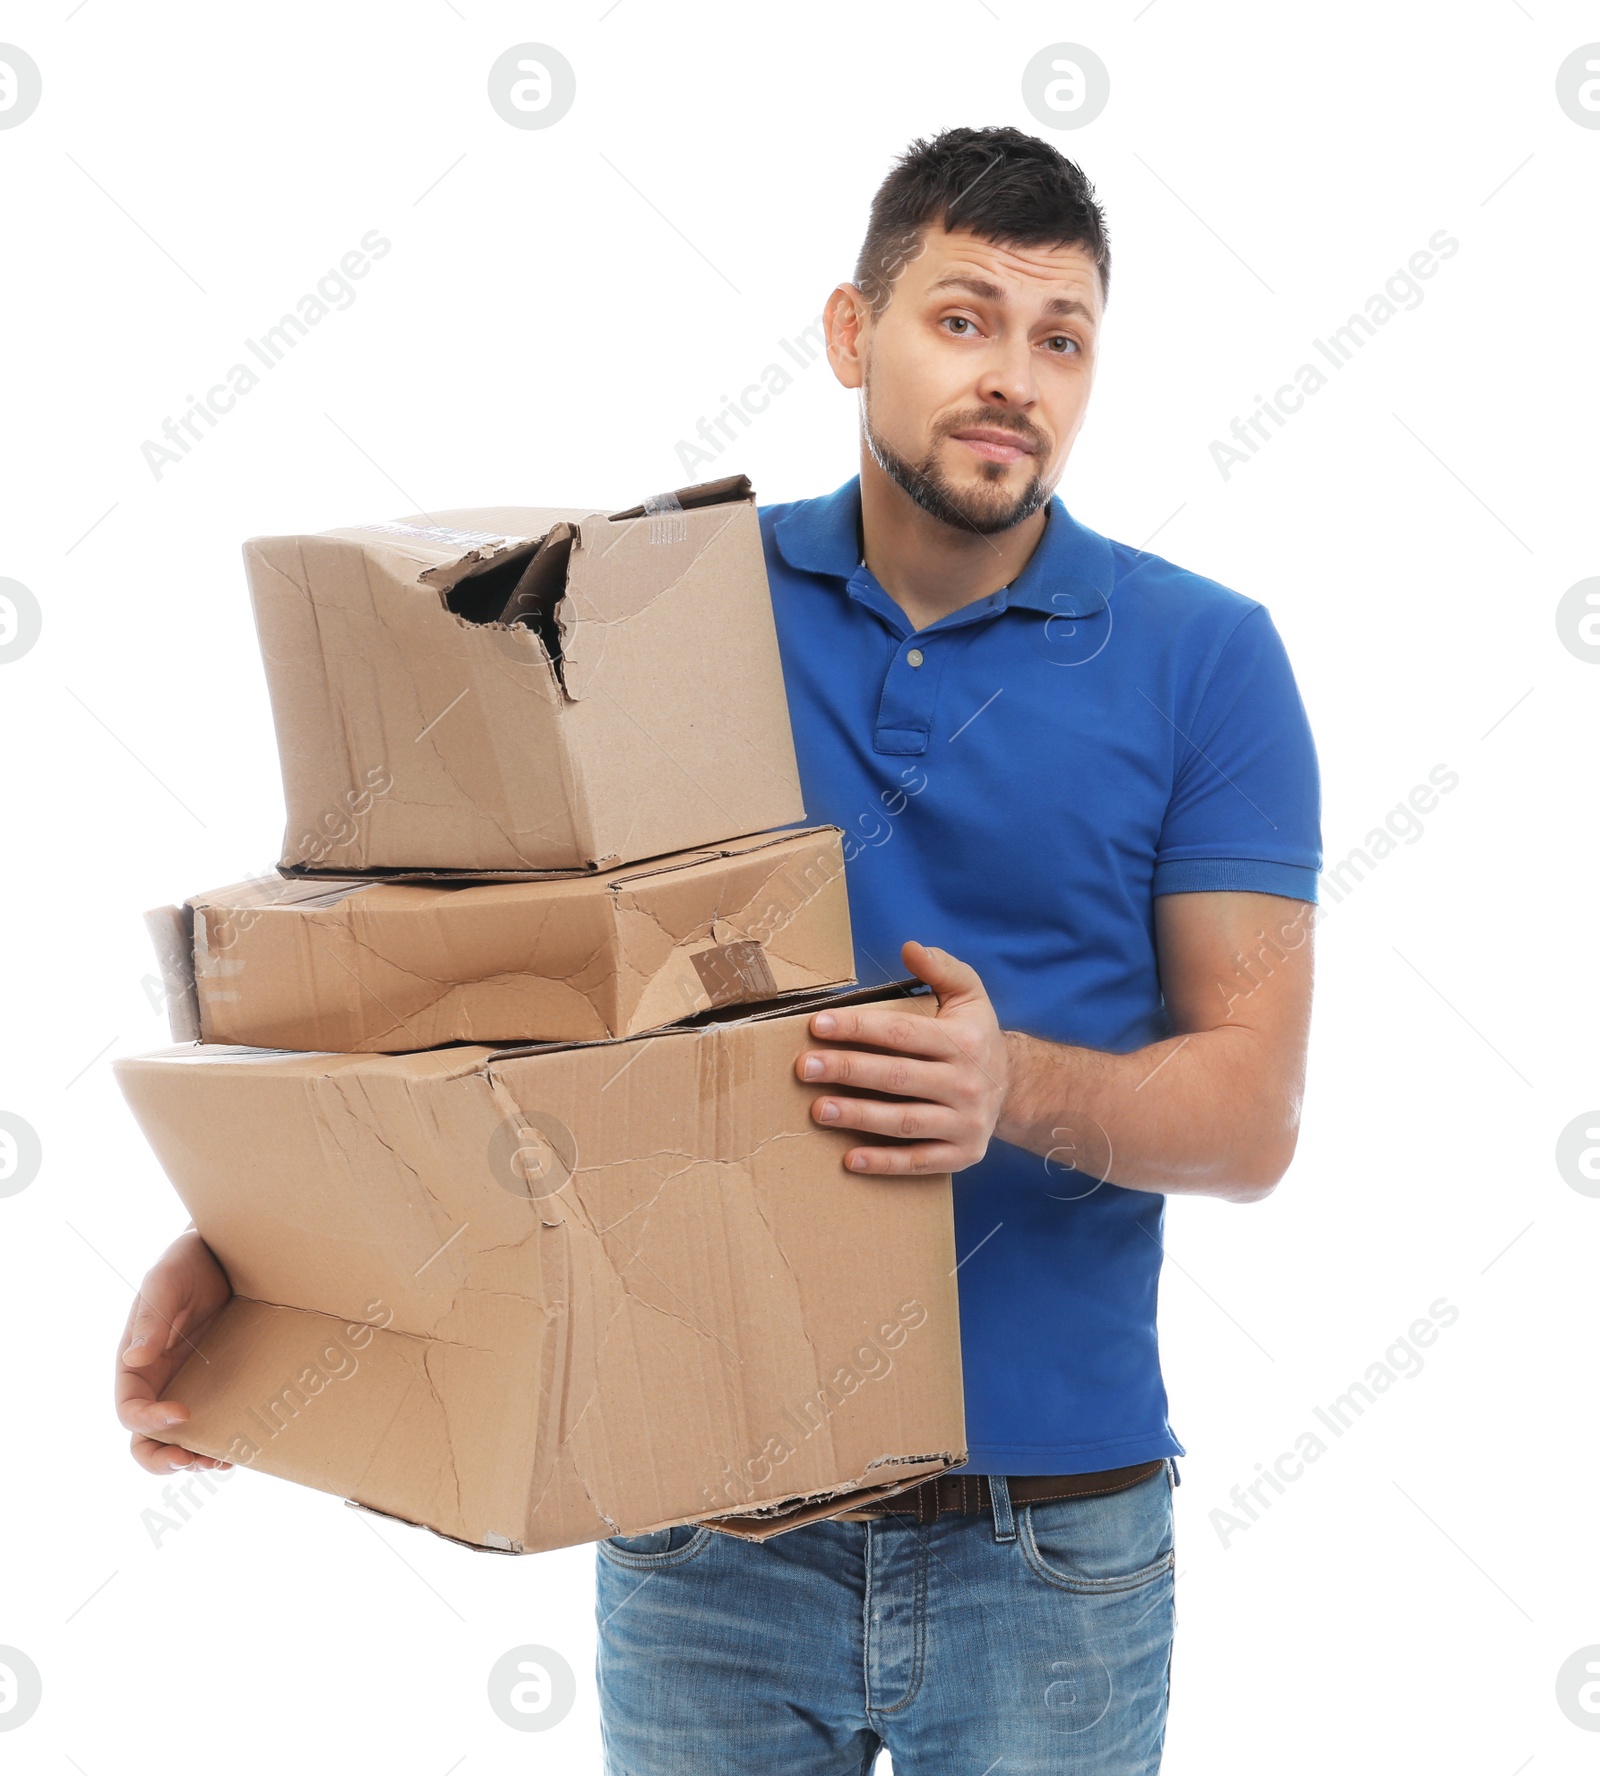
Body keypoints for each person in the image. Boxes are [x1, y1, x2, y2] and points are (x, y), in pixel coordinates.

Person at [117, 124, 1320, 1776]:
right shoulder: (664, 613)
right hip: (704, 1523)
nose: (1014, 380)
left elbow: (1252, 1114)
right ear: (852, 332)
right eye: (963, 319)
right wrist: (265, 1257)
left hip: (1052, 1540)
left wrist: (1009, 1085)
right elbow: (459, 967)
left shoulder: (1206, 660)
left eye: (1062, 340)